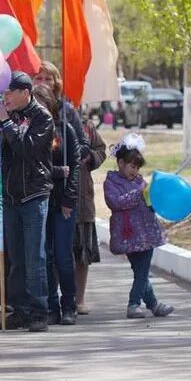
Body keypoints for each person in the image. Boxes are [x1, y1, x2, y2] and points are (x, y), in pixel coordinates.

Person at [0, 72, 55, 333]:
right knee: (16, 259)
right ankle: (18, 310)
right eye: (4, 93)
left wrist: (6, 123)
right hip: (10, 197)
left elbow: (27, 150)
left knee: (35, 258)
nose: (5, 97)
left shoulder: (42, 117)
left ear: (24, 92)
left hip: (33, 195)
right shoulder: (8, 117)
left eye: (9, 92)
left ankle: (39, 311)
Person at [103, 134, 175, 319]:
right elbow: (116, 202)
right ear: (120, 163)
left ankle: (148, 305)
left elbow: (149, 203)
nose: (135, 171)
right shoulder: (111, 182)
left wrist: (155, 195)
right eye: (132, 166)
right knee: (141, 272)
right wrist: (139, 194)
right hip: (129, 235)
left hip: (146, 234)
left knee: (142, 272)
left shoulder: (140, 182)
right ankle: (136, 304)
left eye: (137, 167)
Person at [33, 85, 81, 325]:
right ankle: (52, 304)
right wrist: (55, 172)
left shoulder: (65, 130)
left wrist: (69, 199)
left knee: (63, 255)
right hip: (40, 200)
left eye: (43, 102)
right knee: (46, 256)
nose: (39, 106)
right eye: (35, 102)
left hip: (62, 202)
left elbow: (75, 167)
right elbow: (33, 168)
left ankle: (69, 304)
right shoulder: (31, 130)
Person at [75, 118, 107, 314]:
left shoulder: (85, 124)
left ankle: (79, 299)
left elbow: (101, 150)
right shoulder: (40, 119)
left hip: (81, 199)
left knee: (82, 253)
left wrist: (90, 157)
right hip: (53, 195)